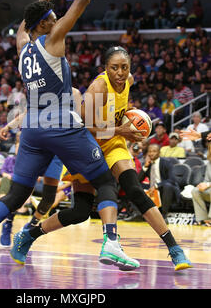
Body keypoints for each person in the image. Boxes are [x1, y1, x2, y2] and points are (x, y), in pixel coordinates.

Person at [0, 0, 140, 271]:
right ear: (45, 25)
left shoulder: (22, 49)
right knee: (105, 182)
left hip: (31, 130)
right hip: (60, 124)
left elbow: (21, 28)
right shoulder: (52, 41)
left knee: (16, 194)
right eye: (52, 18)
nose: (57, 21)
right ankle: (111, 243)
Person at [62, 46, 191, 270]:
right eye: (115, 68)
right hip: (89, 146)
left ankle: (174, 249)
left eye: (124, 67)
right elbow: (84, 127)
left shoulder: (128, 81)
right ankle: (31, 234)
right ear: (105, 68)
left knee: (134, 190)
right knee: (79, 211)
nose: (120, 73)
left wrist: (128, 125)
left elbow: (118, 112)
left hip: (114, 145)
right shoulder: (98, 87)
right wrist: (121, 130)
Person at [139, 144, 180, 222]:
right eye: (150, 151)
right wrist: (145, 167)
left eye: (154, 151)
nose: (151, 153)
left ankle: (164, 215)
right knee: (136, 186)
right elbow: (138, 180)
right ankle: (137, 214)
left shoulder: (166, 162)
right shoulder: (148, 164)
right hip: (152, 190)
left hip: (163, 189)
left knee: (167, 186)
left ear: (159, 153)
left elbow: (172, 180)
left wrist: (156, 186)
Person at [191, 140, 211, 226]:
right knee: (195, 191)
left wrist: (207, 185)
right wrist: (202, 184)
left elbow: (208, 183)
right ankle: (202, 218)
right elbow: (207, 179)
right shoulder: (210, 163)